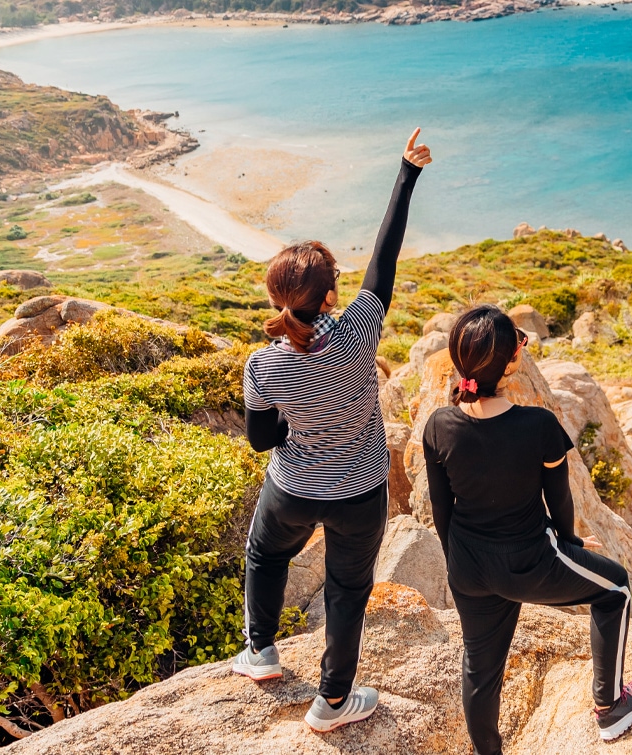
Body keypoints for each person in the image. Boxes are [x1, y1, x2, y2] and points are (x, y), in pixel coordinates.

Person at [231, 129, 432, 733]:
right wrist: (406, 172)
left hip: (292, 487)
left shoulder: (262, 362)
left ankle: (260, 652)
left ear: (275, 296)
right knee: (347, 591)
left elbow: (262, 441)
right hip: (359, 491)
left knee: (265, 554)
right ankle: (334, 702)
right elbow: (384, 261)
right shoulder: (358, 330)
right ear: (332, 294)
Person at [422, 305, 632, 753]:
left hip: (469, 567)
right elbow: (560, 499)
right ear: (513, 363)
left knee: (479, 667)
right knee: (617, 589)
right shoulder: (538, 426)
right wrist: (569, 544)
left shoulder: (439, 425)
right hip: (531, 561)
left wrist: (462, 564)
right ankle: (611, 706)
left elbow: (441, 508)